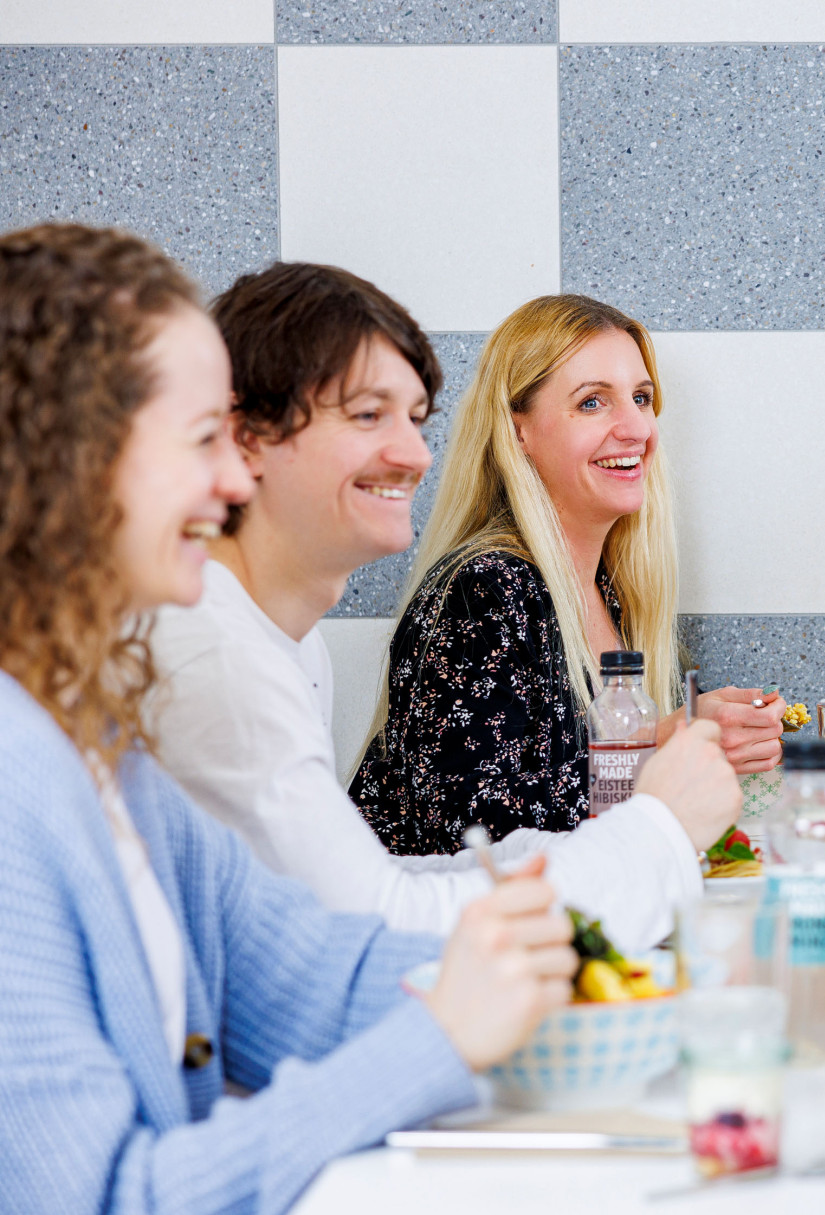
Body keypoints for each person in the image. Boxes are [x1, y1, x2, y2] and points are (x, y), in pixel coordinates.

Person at [0, 223, 574, 1213]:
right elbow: (102, 1199)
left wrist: (651, 996)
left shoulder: (97, 745)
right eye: (202, 442)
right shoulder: (15, 776)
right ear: (70, 458)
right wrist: (442, 1036)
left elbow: (320, 976)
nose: (233, 483)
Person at [145, 262, 740, 949]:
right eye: (369, 414)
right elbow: (371, 925)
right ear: (245, 437)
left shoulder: (290, 643)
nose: (414, 454)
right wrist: (658, 830)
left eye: (414, 418)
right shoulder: (218, 661)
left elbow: (376, 882)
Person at [351, 294, 786, 855]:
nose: (636, 428)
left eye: (642, 397)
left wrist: (708, 752)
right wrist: (662, 744)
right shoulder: (485, 591)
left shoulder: (616, 594)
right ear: (519, 432)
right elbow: (480, 842)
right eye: (591, 403)